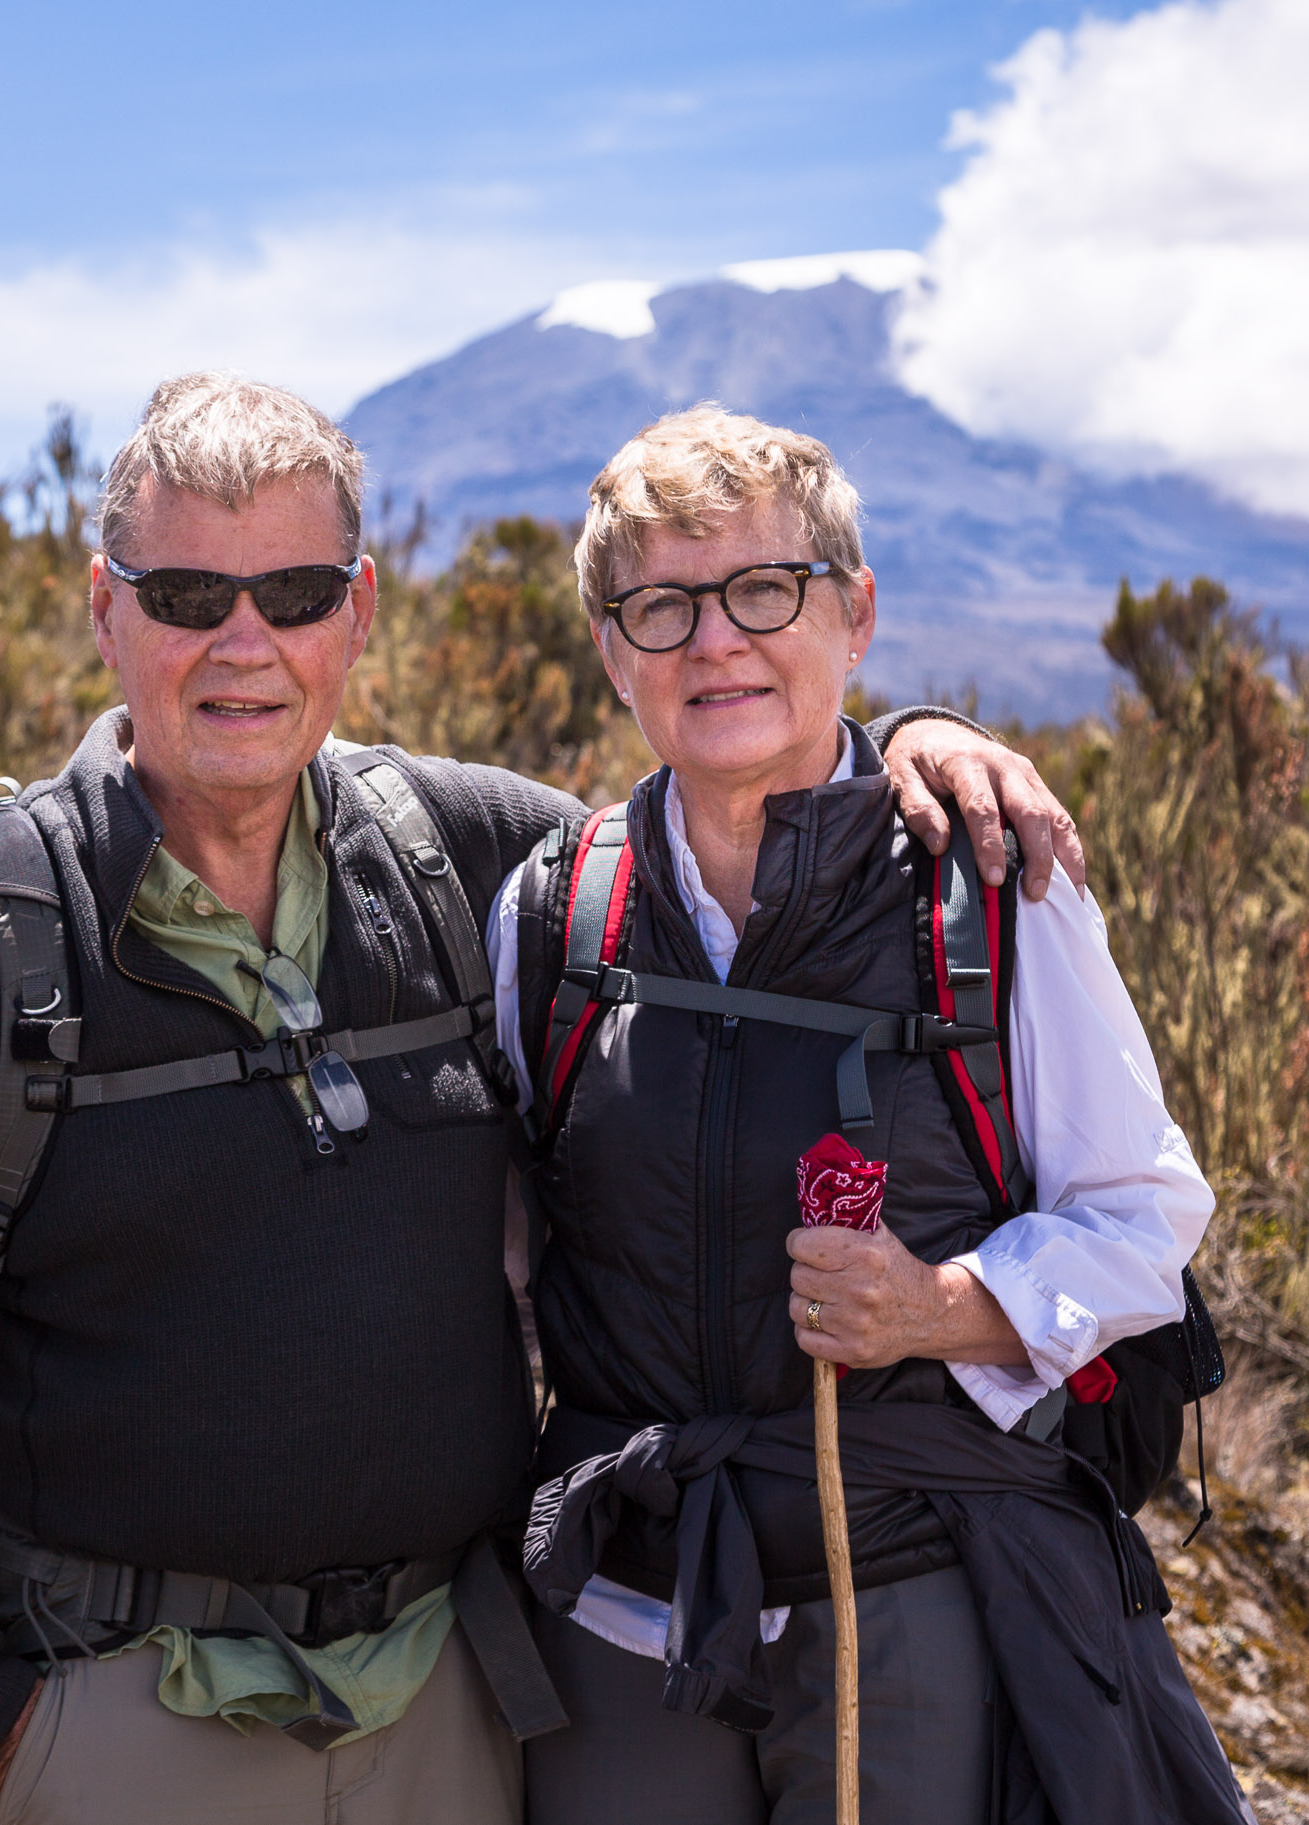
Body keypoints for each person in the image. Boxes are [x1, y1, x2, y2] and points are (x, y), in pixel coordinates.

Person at [0, 373, 1080, 1825]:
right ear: (104, 608)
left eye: (295, 589)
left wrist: (916, 752)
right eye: (186, 592)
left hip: (451, 1709)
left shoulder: (472, 856)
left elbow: (731, 816)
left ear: (358, 612)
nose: (243, 641)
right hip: (107, 1712)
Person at [503, 406, 1251, 1823]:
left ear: (854, 612)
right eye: (660, 606)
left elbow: (1145, 1220)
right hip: (622, 1603)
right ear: (611, 651)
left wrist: (940, 1305)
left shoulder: (995, 886)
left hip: (907, 1585)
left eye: (762, 591)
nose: (715, 642)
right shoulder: (553, 912)